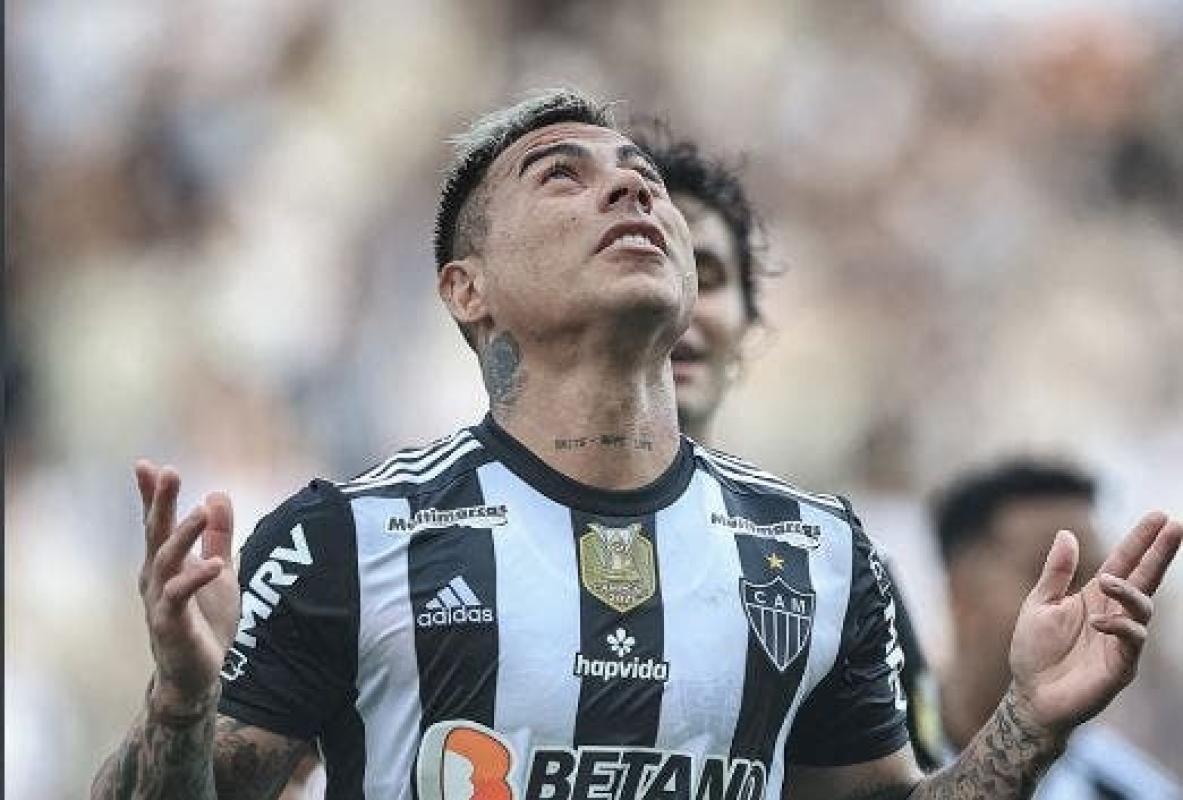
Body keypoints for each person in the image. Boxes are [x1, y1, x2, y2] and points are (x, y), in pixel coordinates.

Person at [92, 88, 1181, 800]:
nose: (630, 187)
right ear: (468, 289)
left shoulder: (815, 550)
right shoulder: (349, 538)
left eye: (643, 180)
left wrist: (1024, 727)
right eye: (560, 174)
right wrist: (179, 698)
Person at [636, 131, 951, 771]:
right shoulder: (452, 529)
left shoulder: (837, 565)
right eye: (653, 267)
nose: (680, 304)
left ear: (750, 324)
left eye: (708, 276)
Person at [933, 458, 1182, 799]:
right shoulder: (870, 766)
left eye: (1101, 579)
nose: (1082, 606)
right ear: (960, 590)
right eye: (1051, 575)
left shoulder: (1134, 792)